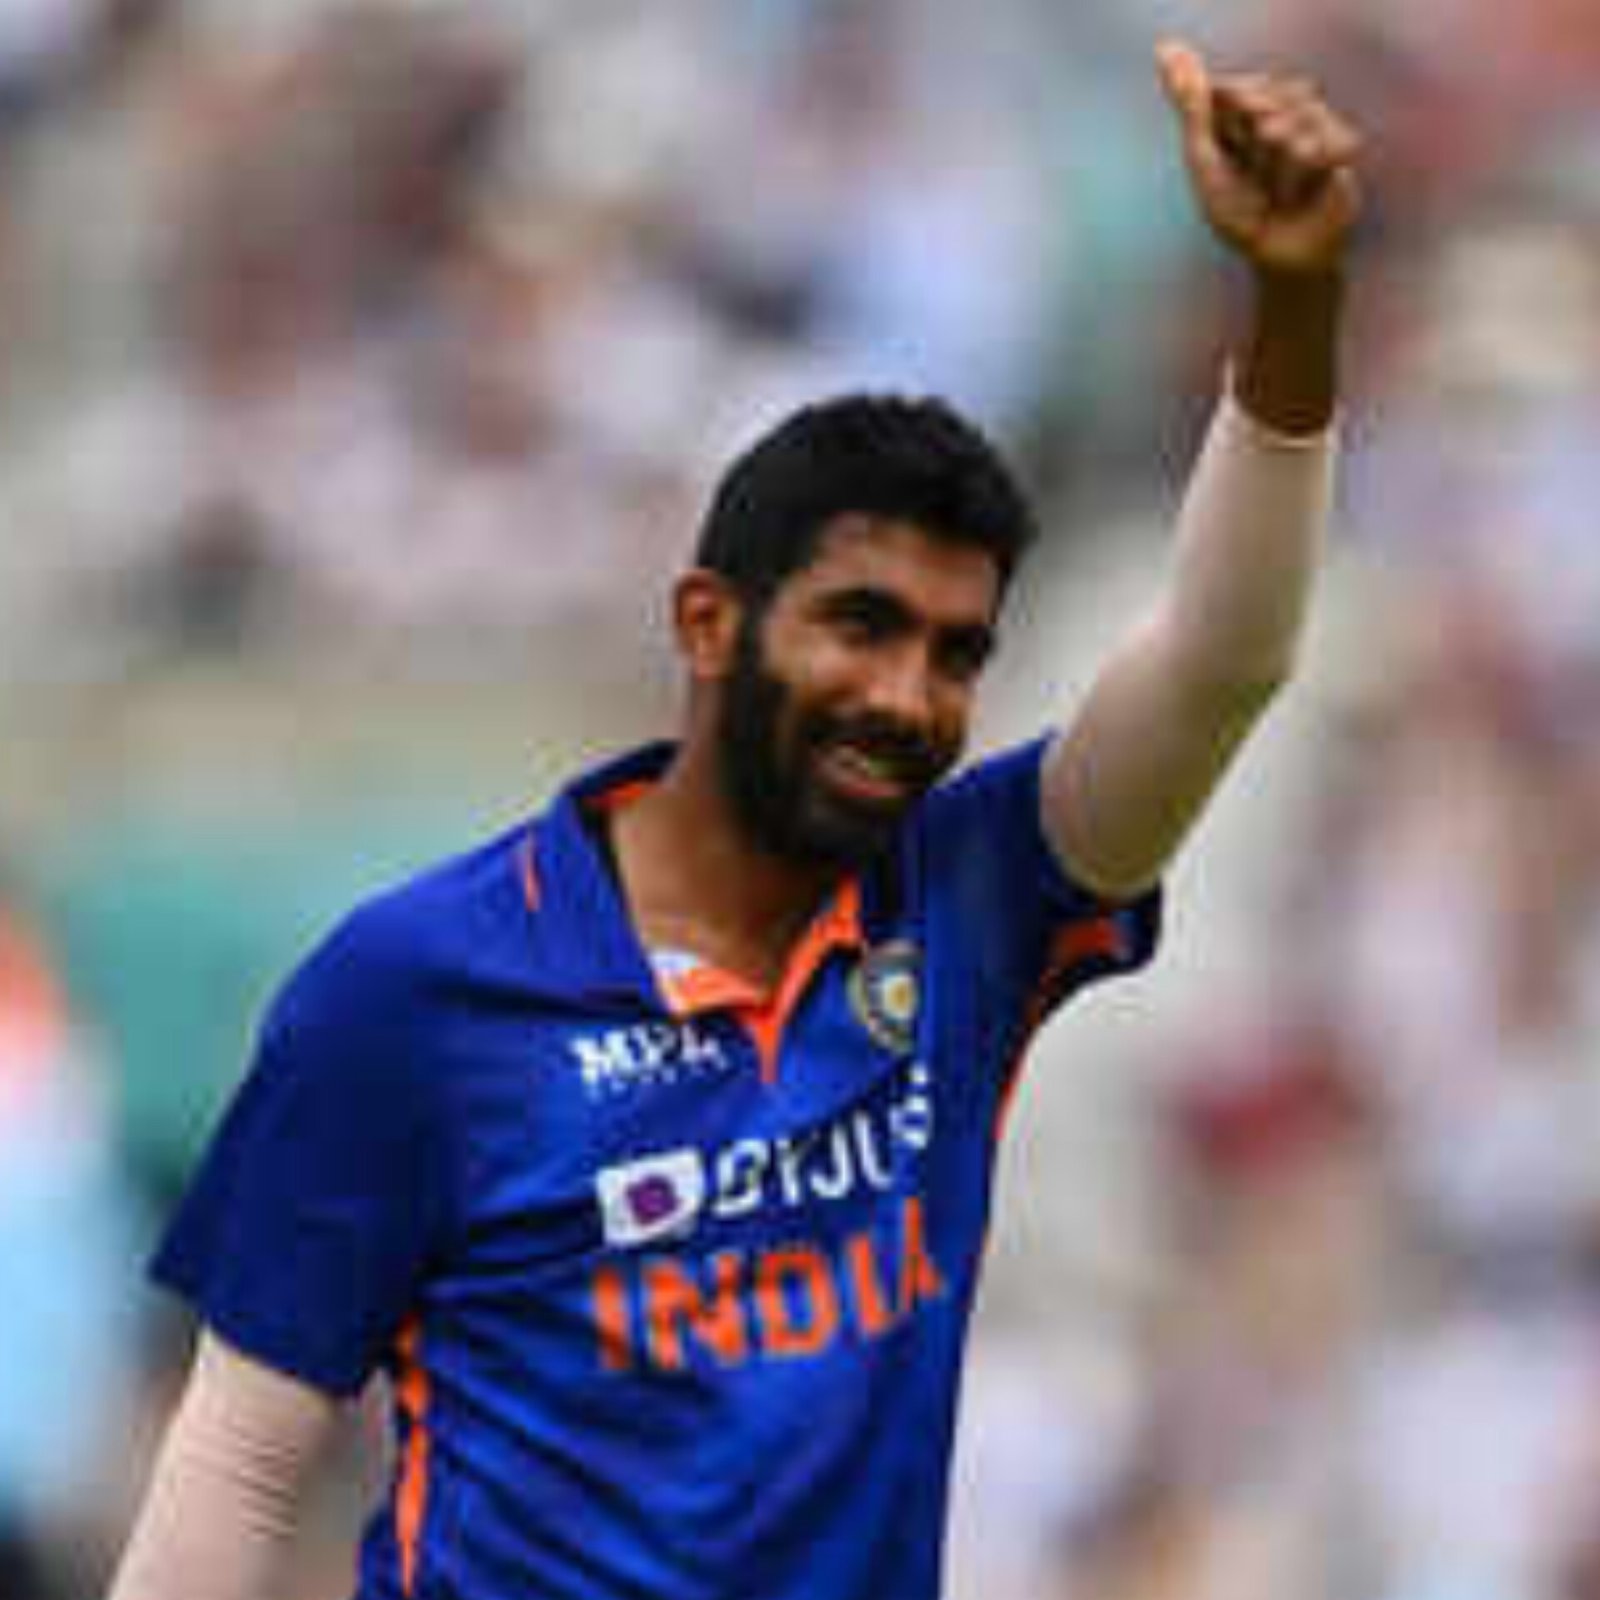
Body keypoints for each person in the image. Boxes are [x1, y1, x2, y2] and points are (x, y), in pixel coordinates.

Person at [108, 38, 1362, 1600]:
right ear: (709, 623)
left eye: (955, 653)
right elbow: (240, 1459)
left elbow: (1224, 660)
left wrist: (1294, 307)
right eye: (860, 626)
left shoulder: (967, 902)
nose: (905, 696)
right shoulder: (415, 986)